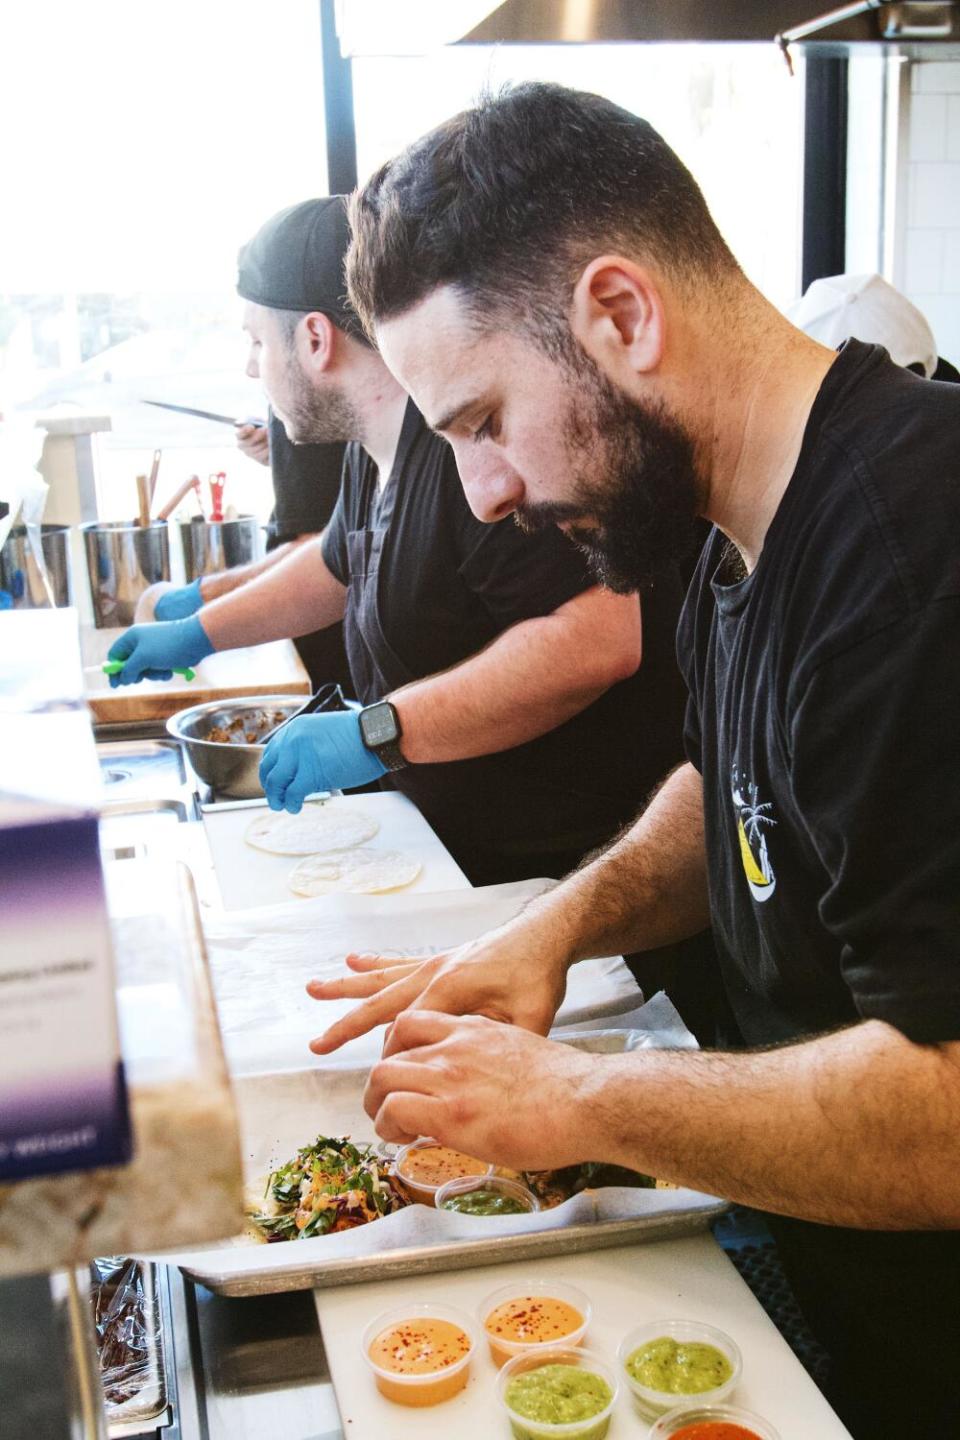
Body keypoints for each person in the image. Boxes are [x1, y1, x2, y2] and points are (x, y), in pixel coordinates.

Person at [307, 85, 960, 1436]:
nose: (483, 493)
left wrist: (579, 1095)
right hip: (819, 1275)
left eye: (486, 420)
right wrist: (564, 922)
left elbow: (948, 1111)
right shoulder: (731, 522)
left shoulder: (912, 559)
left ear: (621, 313)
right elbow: (735, 788)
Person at [108, 195, 691, 888]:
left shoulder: (464, 449)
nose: (250, 369)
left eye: (258, 342)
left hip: (552, 872)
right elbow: (333, 567)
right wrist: (199, 631)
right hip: (448, 847)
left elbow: (598, 641)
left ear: (316, 340)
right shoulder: (374, 449)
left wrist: (378, 731)